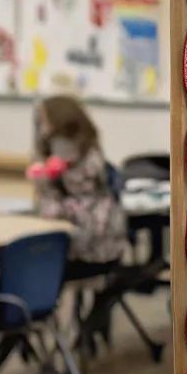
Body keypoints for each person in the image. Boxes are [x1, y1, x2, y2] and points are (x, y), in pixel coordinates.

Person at [29, 96, 127, 272]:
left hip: (90, 243)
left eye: (45, 120)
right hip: (101, 239)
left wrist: (43, 177)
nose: (42, 127)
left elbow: (53, 205)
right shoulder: (88, 146)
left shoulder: (71, 152)